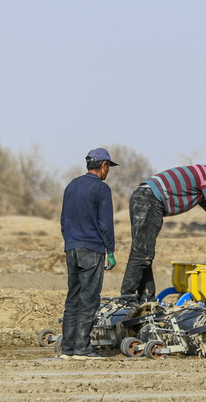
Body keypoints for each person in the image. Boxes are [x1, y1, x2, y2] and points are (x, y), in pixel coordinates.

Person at [120, 164, 206, 301]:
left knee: (145, 253)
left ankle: (147, 299)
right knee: (141, 254)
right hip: (149, 200)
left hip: (144, 198)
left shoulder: (201, 180)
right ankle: (126, 299)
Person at [59, 147, 118, 360]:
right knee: (89, 298)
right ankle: (82, 349)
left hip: (72, 248)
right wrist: (110, 251)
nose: (108, 171)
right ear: (103, 166)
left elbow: (64, 221)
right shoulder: (102, 189)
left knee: (73, 296)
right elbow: (105, 224)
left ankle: (68, 348)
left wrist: (70, 242)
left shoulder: (71, 185)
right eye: (108, 167)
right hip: (92, 249)